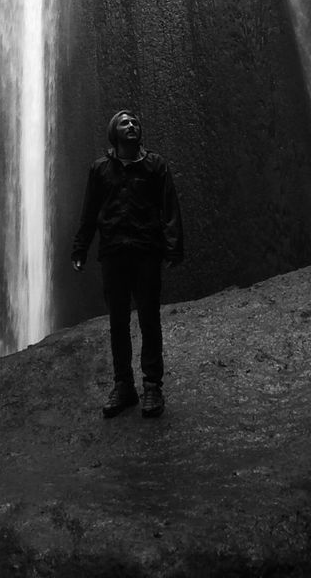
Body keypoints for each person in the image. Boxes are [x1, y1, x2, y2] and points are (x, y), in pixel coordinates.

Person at [71, 109, 184, 418]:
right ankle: (124, 386)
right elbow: (89, 211)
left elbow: (169, 208)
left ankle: (152, 387)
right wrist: (80, 248)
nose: (131, 125)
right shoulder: (99, 170)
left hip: (147, 250)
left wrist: (173, 248)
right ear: (114, 133)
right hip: (113, 253)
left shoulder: (155, 166)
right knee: (117, 322)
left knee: (149, 319)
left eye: (135, 122)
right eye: (125, 122)